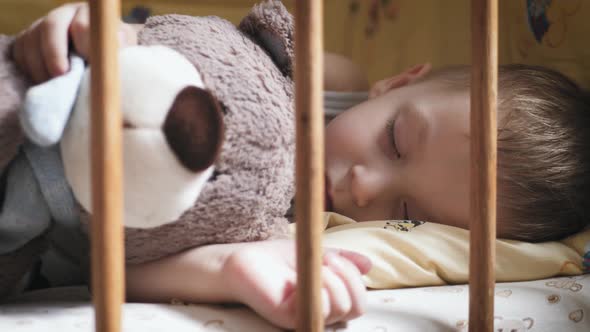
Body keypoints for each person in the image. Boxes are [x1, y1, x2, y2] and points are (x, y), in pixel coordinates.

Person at [10, 2, 590, 329]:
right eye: (394, 140)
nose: (365, 189)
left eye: (407, 210)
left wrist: (231, 268)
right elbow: (189, 51)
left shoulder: (307, 241)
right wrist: (107, 35)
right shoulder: (329, 83)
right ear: (396, 83)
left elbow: (121, 269)